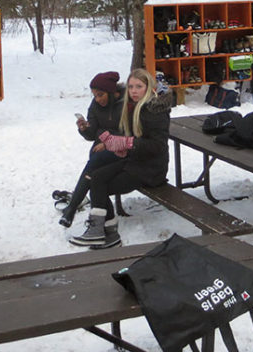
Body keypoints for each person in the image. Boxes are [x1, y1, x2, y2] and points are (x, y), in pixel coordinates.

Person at [69, 68, 171, 249]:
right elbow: (105, 133)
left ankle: (103, 230)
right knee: (97, 177)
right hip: (132, 160)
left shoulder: (155, 110)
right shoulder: (131, 107)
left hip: (150, 169)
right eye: (131, 86)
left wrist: (126, 143)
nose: (133, 91)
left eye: (139, 86)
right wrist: (114, 143)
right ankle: (107, 231)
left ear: (148, 88)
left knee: (99, 182)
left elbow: (158, 146)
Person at [54, 71, 125, 228]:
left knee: (95, 168)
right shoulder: (95, 105)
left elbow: (128, 133)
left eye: (101, 95)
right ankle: (82, 212)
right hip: (100, 151)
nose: (98, 99)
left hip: (123, 150)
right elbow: (92, 134)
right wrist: (84, 128)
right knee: (95, 171)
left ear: (111, 92)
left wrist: (107, 142)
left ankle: (72, 208)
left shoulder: (125, 103)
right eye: (95, 96)